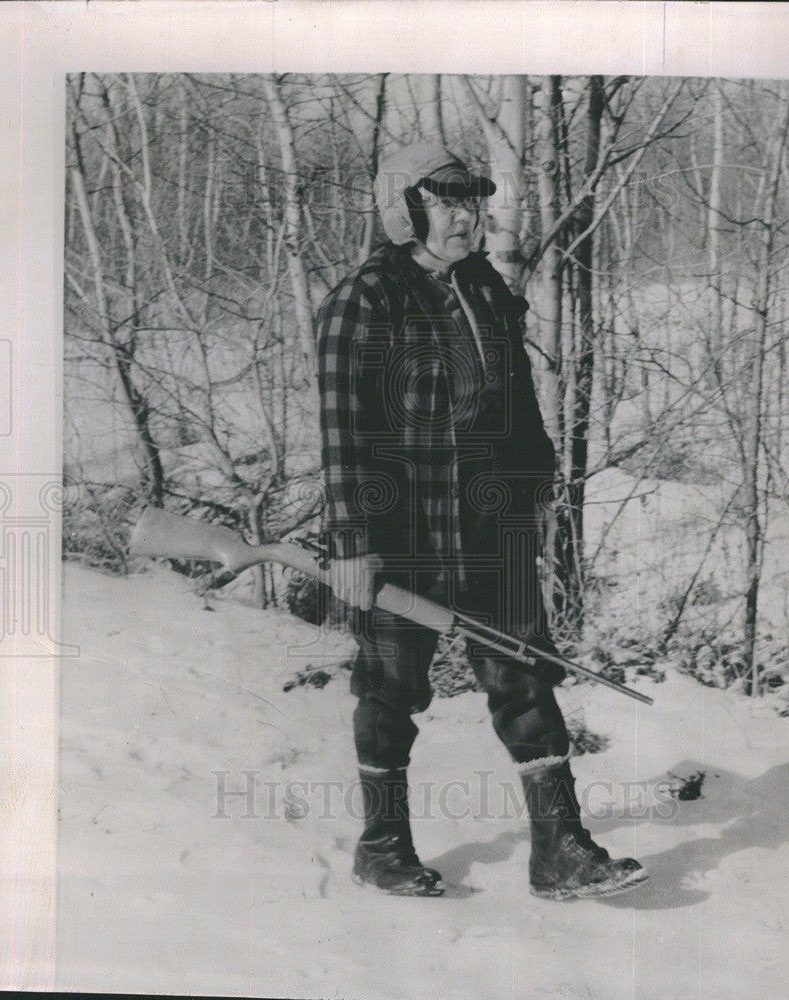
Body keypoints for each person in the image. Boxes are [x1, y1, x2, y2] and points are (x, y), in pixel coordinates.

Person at [316, 140, 646, 899]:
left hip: (488, 527)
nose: (469, 217)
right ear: (407, 209)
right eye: (448, 202)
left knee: (525, 674)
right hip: (398, 531)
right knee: (390, 687)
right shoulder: (363, 300)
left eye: (473, 203)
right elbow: (341, 434)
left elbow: (517, 404)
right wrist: (352, 546)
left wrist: (532, 488)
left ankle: (560, 850)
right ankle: (382, 845)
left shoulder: (483, 290)